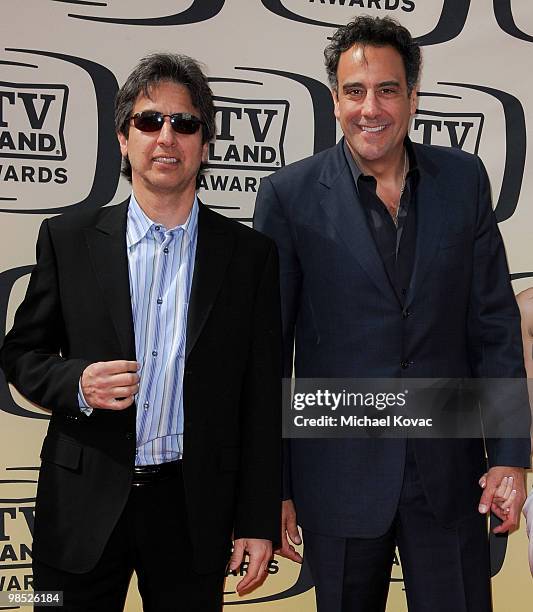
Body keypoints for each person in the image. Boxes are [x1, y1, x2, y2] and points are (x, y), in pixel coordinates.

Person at [254, 15, 530, 612]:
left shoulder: (463, 181)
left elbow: (494, 325)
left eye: (387, 89)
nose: (370, 108)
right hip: (338, 476)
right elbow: (269, 352)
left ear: (412, 96)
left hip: (449, 477)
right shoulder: (289, 196)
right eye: (355, 92)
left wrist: (509, 455)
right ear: (334, 101)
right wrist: (274, 488)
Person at [0, 52, 282, 611]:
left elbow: (262, 396)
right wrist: (78, 382)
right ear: (124, 140)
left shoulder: (250, 256)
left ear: (206, 144)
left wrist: (256, 519)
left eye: (185, 123)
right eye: (149, 121)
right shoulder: (68, 238)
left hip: (193, 510)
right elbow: (21, 353)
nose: (166, 137)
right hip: (79, 510)